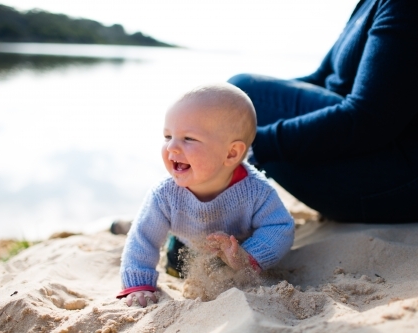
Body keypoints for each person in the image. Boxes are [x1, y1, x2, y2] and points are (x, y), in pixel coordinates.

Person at [228, 0, 418, 223]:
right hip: (379, 143)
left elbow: (369, 120)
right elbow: (322, 78)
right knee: (241, 97)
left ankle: (211, 217)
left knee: (242, 106)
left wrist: (254, 145)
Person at [116, 83, 295, 307]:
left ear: (231, 153)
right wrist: (139, 284)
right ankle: (127, 224)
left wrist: (247, 256)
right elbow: (143, 238)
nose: (172, 147)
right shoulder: (165, 194)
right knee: (170, 257)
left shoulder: (256, 190)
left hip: (238, 247)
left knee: (230, 272)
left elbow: (280, 226)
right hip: (187, 246)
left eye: (188, 138)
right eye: (167, 136)